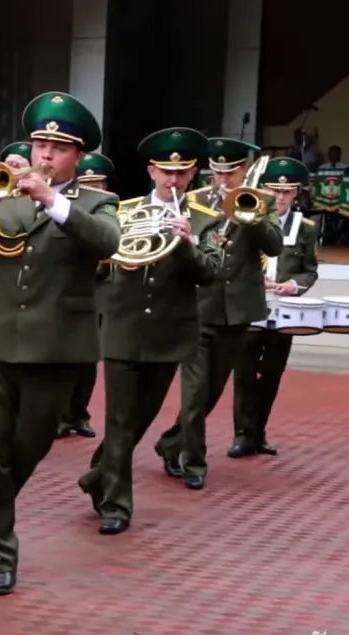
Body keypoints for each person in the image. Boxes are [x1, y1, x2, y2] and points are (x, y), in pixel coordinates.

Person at [0, 92, 121, 595]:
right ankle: (1, 552)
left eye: (58, 147)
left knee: (31, 446)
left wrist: (53, 202)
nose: (44, 155)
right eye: (40, 143)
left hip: (57, 346)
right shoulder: (6, 196)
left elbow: (108, 244)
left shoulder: (97, 203)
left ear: (77, 157)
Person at [77, 129, 223, 535]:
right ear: (151, 170)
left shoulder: (206, 220)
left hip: (168, 333)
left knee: (141, 419)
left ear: (193, 173)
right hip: (123, 328)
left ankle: (97, 477)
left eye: (181, 172)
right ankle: (117, 506)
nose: (172, 180)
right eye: (165, 171)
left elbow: (211, 274)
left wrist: (188, 244)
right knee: (120, 420)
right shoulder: (119, 211)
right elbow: (96, 262)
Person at [154, 137, 283, 490]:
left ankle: (170, 442)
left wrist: (251, 215)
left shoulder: (263, 201)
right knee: (194, 393)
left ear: (244, 170)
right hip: (198, 307)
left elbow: (273, 245)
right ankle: (194, 463)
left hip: (237, 310)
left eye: (232, 171)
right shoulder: (193, 201)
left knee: (211, 393)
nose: (223, 179)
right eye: (218, 172)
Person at [230, 157, 319, 458]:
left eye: (287, 192)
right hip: (250, 308)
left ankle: (259, 432)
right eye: (274, 191)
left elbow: (310, 270)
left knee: (271, 374)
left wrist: (293, 286)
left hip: (284, 312)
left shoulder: (305, 228)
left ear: (296, 194)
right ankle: (242, 434)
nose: (280, 198)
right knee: (243, 373)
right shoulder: (248, 219)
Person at [58, 151, 116, 440]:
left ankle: (79, 413)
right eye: (88, 182)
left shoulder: (107, 210)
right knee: (63, 358)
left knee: (87, 361)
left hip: (99, 294)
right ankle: (61, 414)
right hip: (69, 290)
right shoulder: (69, 209)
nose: (93, 188)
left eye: (99, 183)